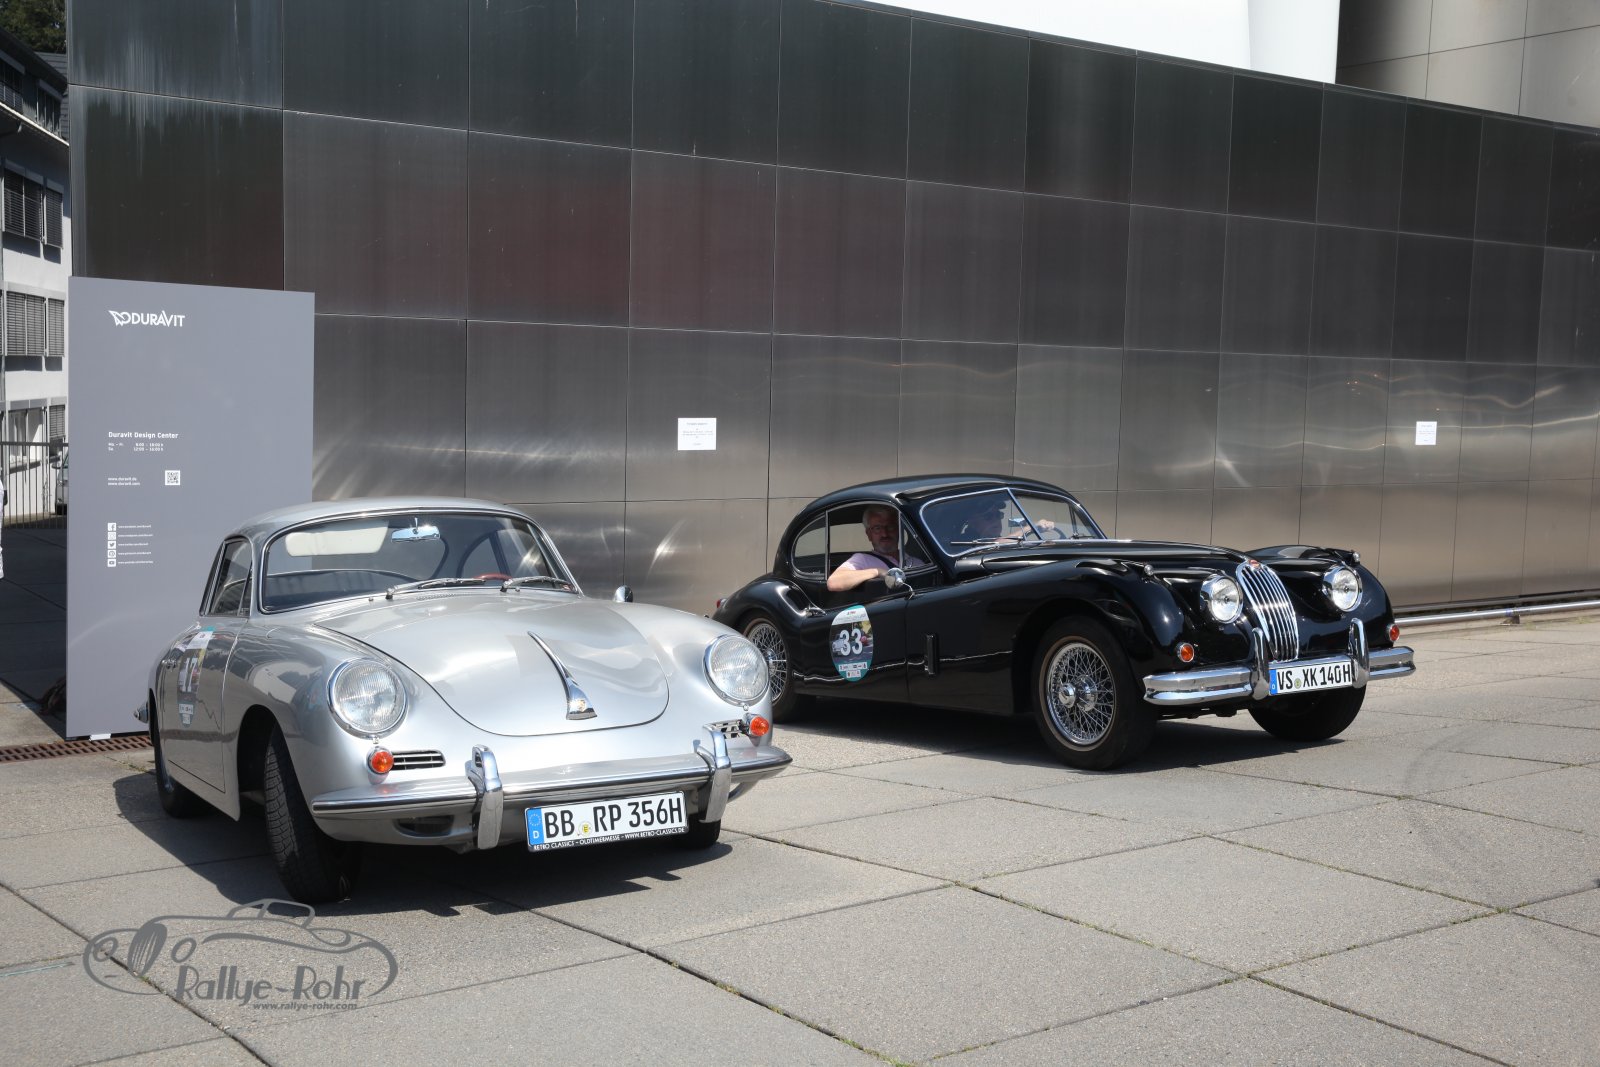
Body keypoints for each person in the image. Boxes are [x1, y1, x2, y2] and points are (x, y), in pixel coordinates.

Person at [827, 505, 923, 591]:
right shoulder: (862, 559)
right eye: (877, 528)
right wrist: (877, 572)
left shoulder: (916, 562)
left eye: (890, 527)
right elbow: (834, 582)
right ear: (869, 534)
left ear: (898, 530)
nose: (884, 534)